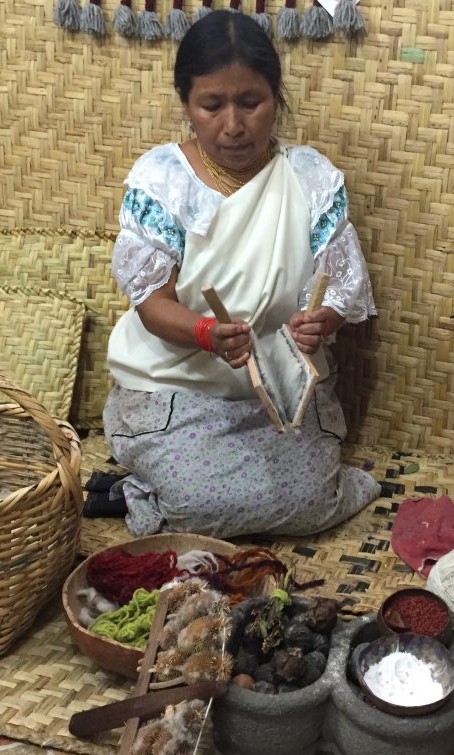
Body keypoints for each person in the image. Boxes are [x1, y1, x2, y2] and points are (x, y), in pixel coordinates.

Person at [103, 10, 379, 539]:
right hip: (176, 387)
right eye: (212, 106)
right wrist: (206, 333)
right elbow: (151, 302)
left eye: (251, 103)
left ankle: (160, 502)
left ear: (276, 98)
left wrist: (322, 323)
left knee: (302, 499)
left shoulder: (311, 178)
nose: (233, 125)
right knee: (202, 502)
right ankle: (162, 496)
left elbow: (342, 290)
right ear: (186, 105)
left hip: (280, 386)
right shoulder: (162, 180)